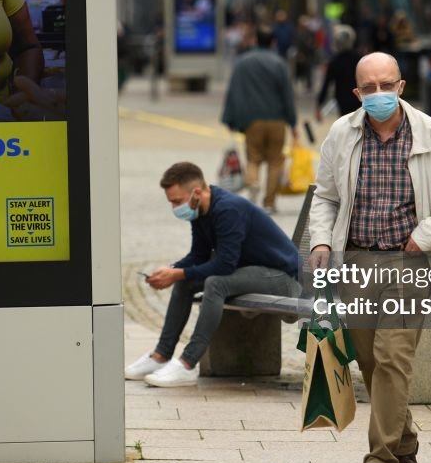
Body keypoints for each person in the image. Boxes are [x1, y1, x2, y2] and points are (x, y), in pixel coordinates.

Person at [308, 52, 431, 463]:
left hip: (409, 262)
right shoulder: (342, 133)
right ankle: (406, 443)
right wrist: (321, 240)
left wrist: (428, 234)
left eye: (387, 85)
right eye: (369, 87)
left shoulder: (430, 134)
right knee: (369, 362)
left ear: (401, 86)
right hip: (357, 261)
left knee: (392, 359)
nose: (378, 94)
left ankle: (378, 462)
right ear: (357, 92)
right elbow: (325, 196)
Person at [125, 162, 301, 387]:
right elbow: (198, 255)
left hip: (283, 278)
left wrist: (178, 273)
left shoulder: (228, 209)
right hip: (250, 272)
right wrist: (171, 270)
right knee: (185, 282)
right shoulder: (199, 211)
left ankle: (187, 364)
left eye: (177, 201)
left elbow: (224, 265)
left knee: (216, 283)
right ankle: (161, 356)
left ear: (196, 192)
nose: (174, 207)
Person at [221, 26, 297, 213]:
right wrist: (293, 121)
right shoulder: (279, 63)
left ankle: (253, 183)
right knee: (275, 160)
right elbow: (287, 94)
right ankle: (269, 203)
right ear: (273, 42)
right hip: (277, 119)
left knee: (253, 158)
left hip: (252, 120)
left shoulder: (242, 63)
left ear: (255, 40)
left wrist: (230, 118)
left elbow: (233, 92)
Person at [315, 24, 361, 121]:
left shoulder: (335, 62)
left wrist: (319, 105)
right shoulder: (359, 59)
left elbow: (326, 84)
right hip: (359, 99)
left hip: (342, 100)